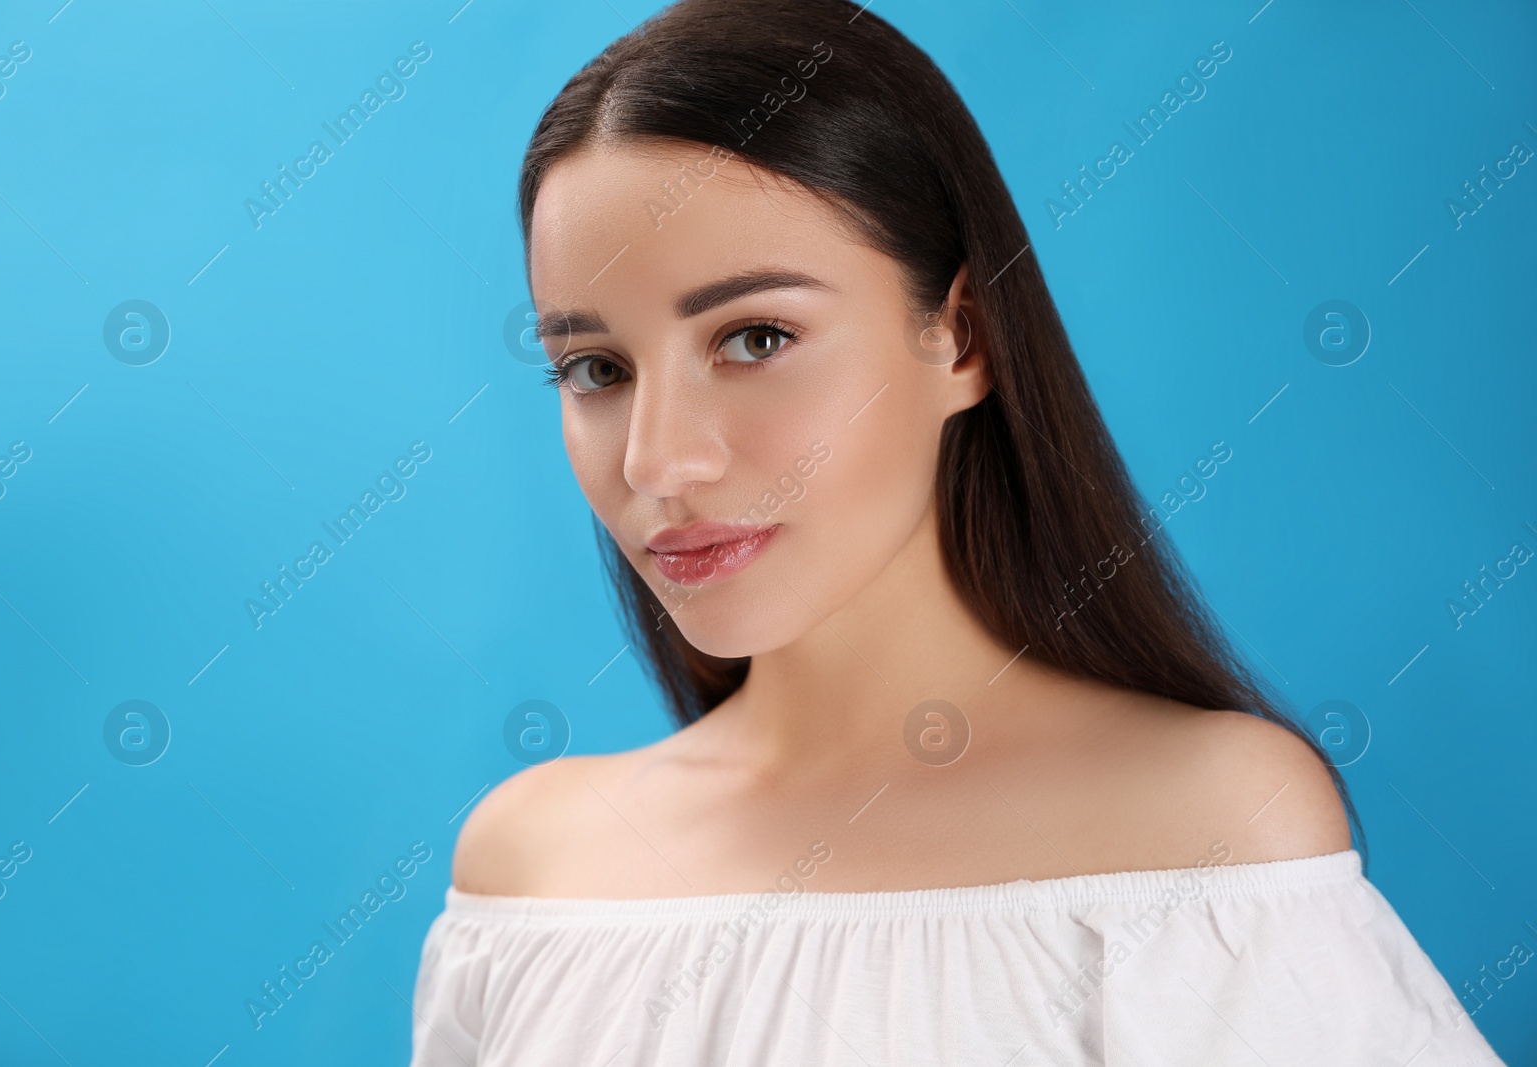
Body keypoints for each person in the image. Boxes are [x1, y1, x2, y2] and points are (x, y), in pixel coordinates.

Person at [408, 0, 1507, 1062]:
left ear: (961, 339)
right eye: (596, 368)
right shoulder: (531, 866)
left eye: (753, 338)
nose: (657, 459)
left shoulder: (1204, 828)